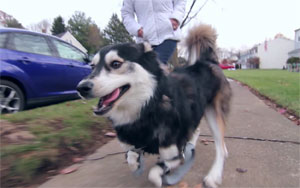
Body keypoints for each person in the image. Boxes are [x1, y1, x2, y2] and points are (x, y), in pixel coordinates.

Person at [121, 0, 187, 65]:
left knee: (156, 65)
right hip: (145, 39)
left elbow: (180, 2)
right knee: (146, 70)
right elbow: (126, 14)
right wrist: (136, 29)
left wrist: (176, 18)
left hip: (167, 35)